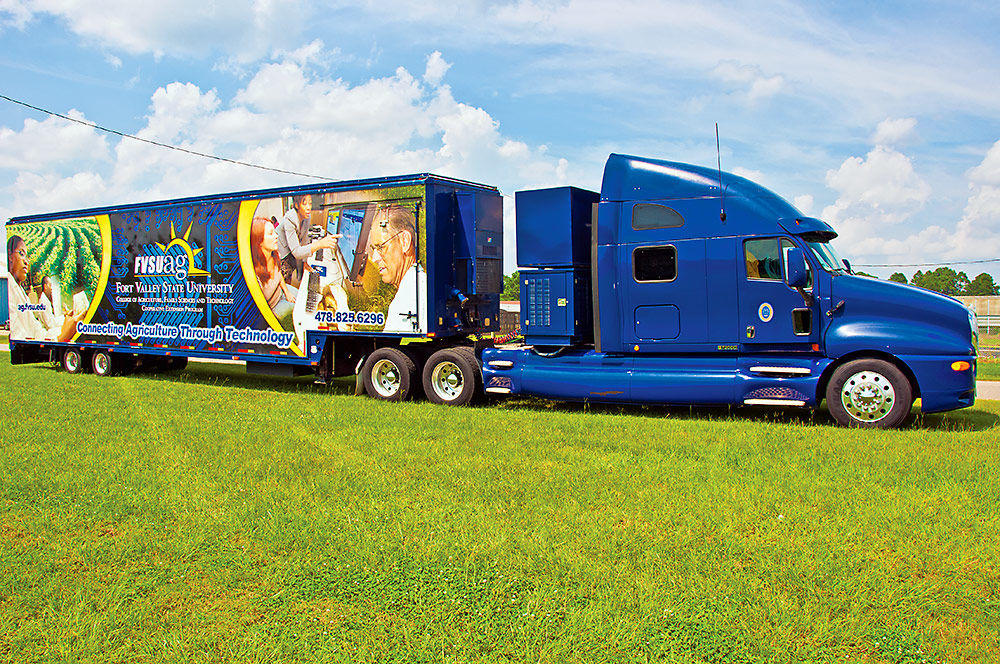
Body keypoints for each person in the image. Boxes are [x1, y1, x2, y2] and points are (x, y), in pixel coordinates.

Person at [7, 235, 81, 342]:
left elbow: (35, 329)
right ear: (10, 256)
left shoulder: (20, 291)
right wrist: (62, 335)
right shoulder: (12, 290)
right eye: (21, 254)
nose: (26, 262)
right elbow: (47, 325)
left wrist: (65, 320)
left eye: (26, 256)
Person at [367, 205, 426, 333]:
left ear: (405, 241)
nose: (375, 258)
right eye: (373, 249)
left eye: (381, 247)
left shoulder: (407, 299)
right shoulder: (418, 286)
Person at [276, 195, 338, 287]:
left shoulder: (306, 217)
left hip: (292, 247)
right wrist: (320, 244)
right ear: (296, 205)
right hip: (282, 250)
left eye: (310, 203)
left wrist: (304, 261)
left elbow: (304, 240)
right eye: (305, 204)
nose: (309, 208)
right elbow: (297, 252)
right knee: (284, 277)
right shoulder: (289, 219)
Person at [250, 216, 297, 319]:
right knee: (299, 309)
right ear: (259, 241)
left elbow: (279, 274)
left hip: (280, 291)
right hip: (273, 308)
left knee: (303, 296)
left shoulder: (274, 254)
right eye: (271, 233)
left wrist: (287, 292)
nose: (276, 236)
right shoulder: (253, 275)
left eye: (275, 232)